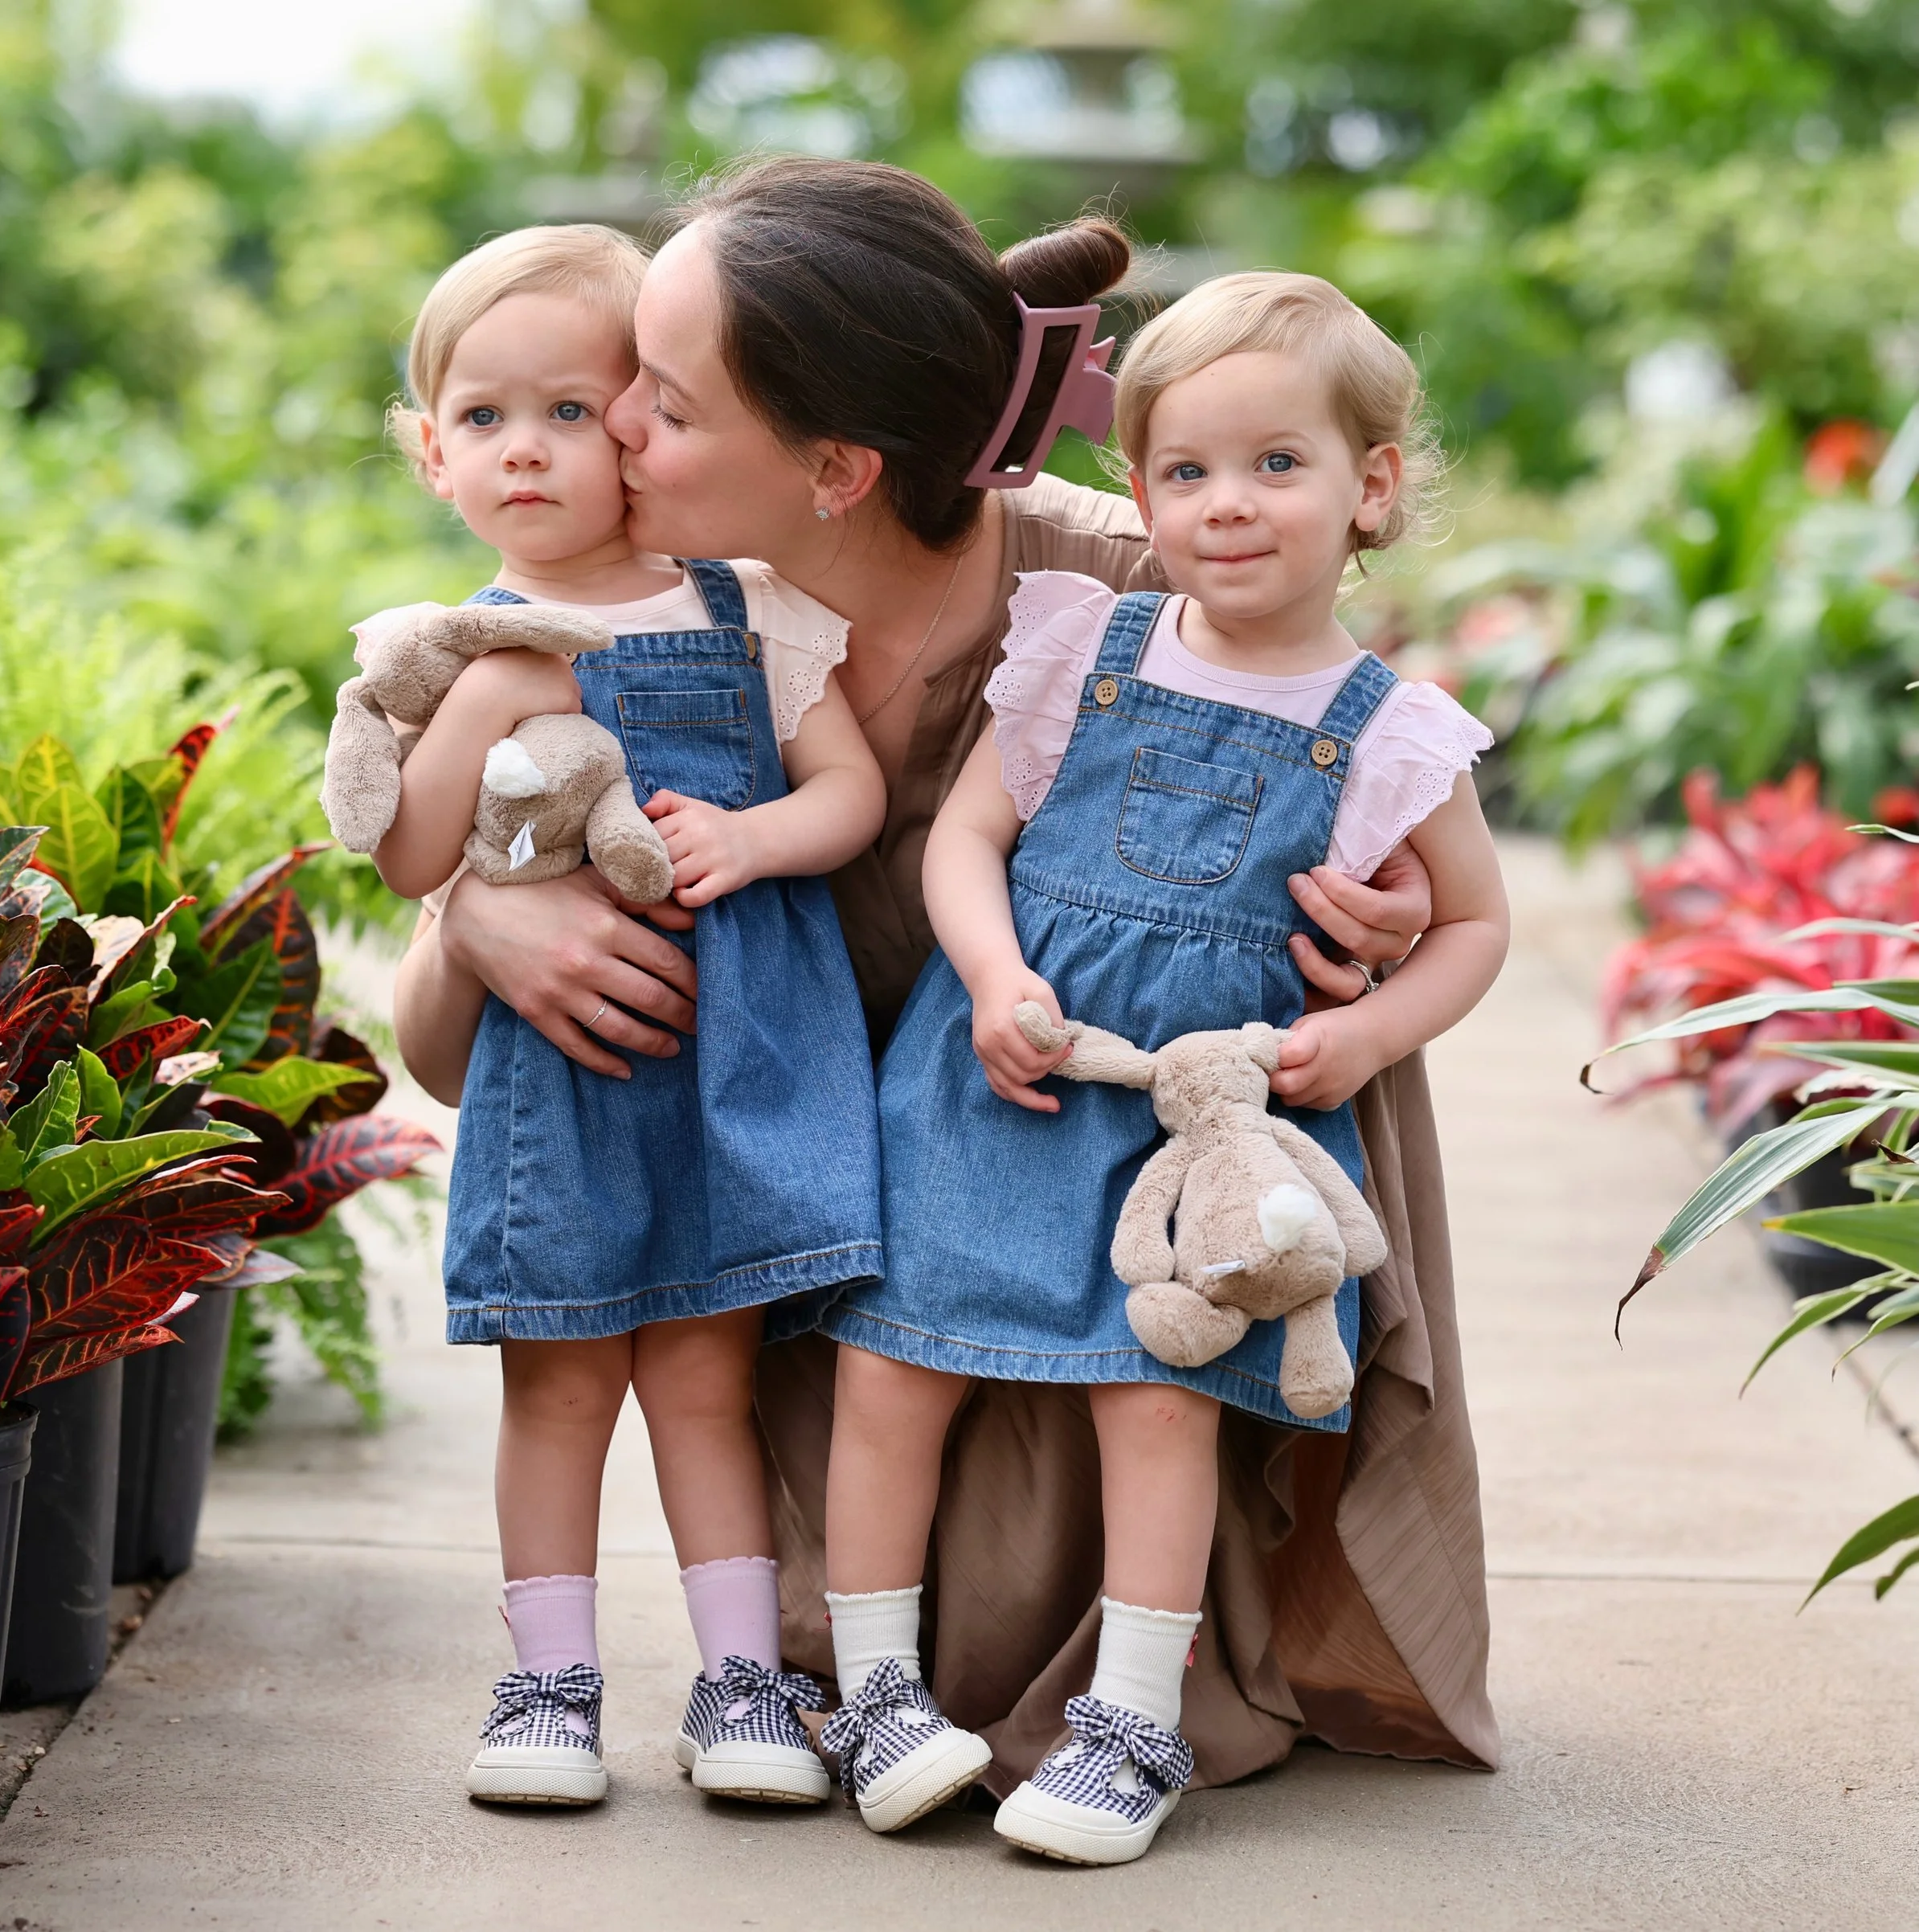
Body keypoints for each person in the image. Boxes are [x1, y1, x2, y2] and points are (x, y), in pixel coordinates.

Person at [394, 158, 1499, 1835]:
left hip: (1089, 1132)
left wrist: (1384, 886)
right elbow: (440, 1059)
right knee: (870, 1556)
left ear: (833, 469)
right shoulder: (619, 613)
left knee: (1107, 1477)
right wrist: (482, 914)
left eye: (659, 401)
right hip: (839, 1190)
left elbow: (1339, 721)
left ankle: (1141, 1642)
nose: (606, 423)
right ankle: (831, 1648)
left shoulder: (1114, 593)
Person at [817, 270, 1509, 1864]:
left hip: (1196, 1134)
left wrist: (1369, 1029)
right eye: (1184, 472)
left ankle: (1132, 1716)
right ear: (1136, 492)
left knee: (1161, 1388)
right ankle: (871, 1690)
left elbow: (1472, 927)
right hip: (1002, 1076)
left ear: (1370, 488)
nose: (1227, 505)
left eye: (1278, 464)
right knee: (891, 1363)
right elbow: (969, 838)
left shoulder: (1386, 728)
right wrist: (990, 976)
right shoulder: (1088, 645)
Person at [358, 223, 888, 1811]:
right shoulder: (458, 651)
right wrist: (489, 697)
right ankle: (545, 1684)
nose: (525, 448)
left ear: (636, 430)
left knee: (703, 1383)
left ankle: (737, 1679)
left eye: (572, 411)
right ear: (431, 454)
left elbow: (848, 789)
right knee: (559, 1380)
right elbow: (405, 855)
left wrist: (758, 837)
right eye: (482, 419)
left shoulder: (746, 608)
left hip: (737, 1065)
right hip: (564, 1086)